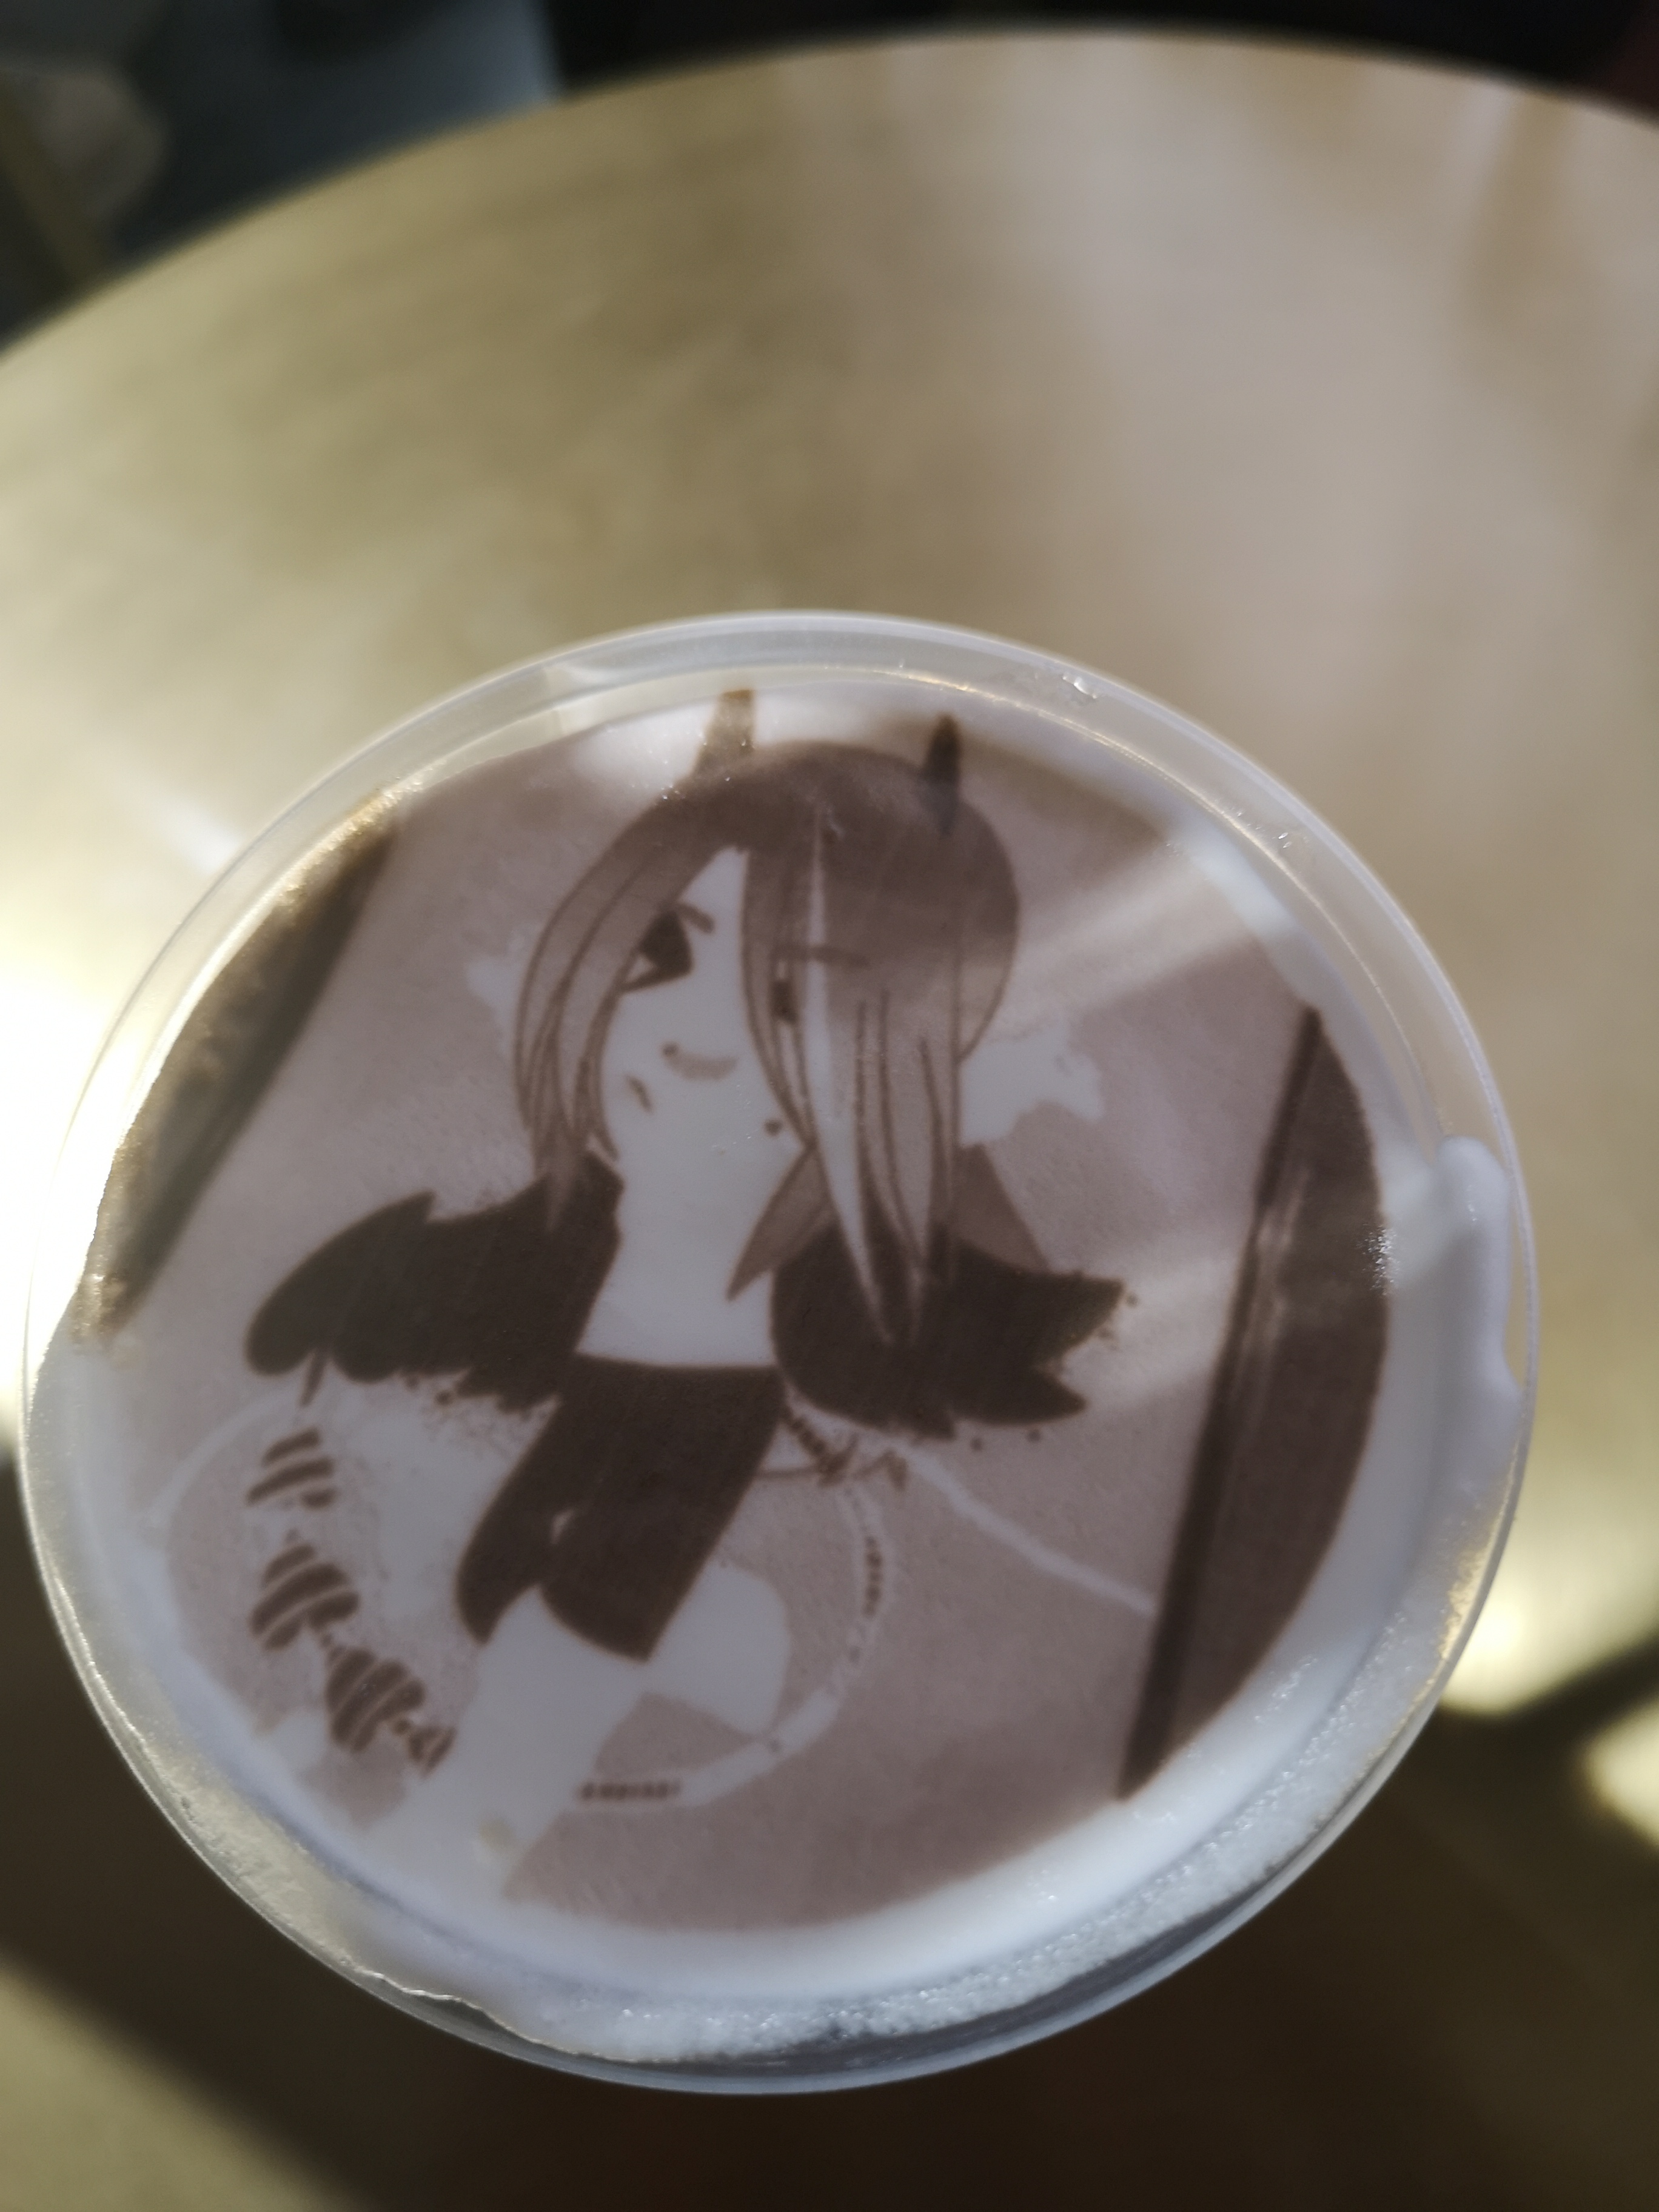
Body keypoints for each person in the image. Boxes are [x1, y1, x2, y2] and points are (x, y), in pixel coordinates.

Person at [245, 695, 1118, 1879]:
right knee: (497, 1581)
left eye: (789, 1000)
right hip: (608, 1358)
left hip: (718, 1392)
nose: (694, 1039)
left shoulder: (872, 1210)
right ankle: (720, 1641)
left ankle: (464, 1842)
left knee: (585, 1614)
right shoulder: (568, 1223)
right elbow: (504, 1257)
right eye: (662, 950)